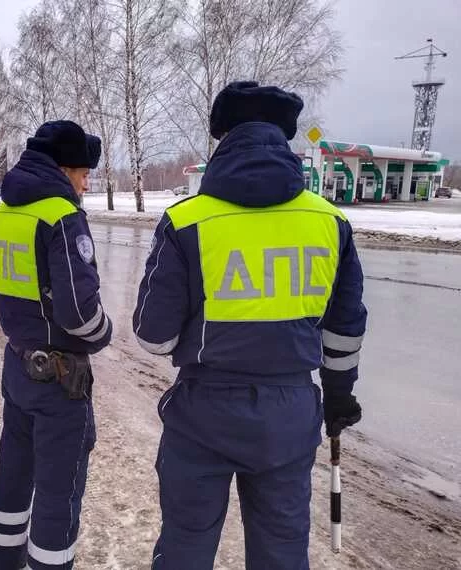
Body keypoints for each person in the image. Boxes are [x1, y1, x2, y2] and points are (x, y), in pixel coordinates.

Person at [133, 81, 367, 569]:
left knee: (185, 550)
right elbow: (343, 331)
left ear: (223, 139)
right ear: (286, 139)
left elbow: (153, 338)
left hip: (202, 416)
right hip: (288, 418)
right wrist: (340, 394)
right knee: (282, 552)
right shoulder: (330, 222)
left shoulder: (186, 221)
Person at [0, 120, 113, 570]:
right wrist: (104, 334)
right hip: (61, 381)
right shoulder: (61, 215)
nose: (86, 183)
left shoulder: (5, 213)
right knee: (58, 496)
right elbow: (80, 312)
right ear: (63, 169)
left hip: (18, 367)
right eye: (82, 174)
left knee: (13, 479)